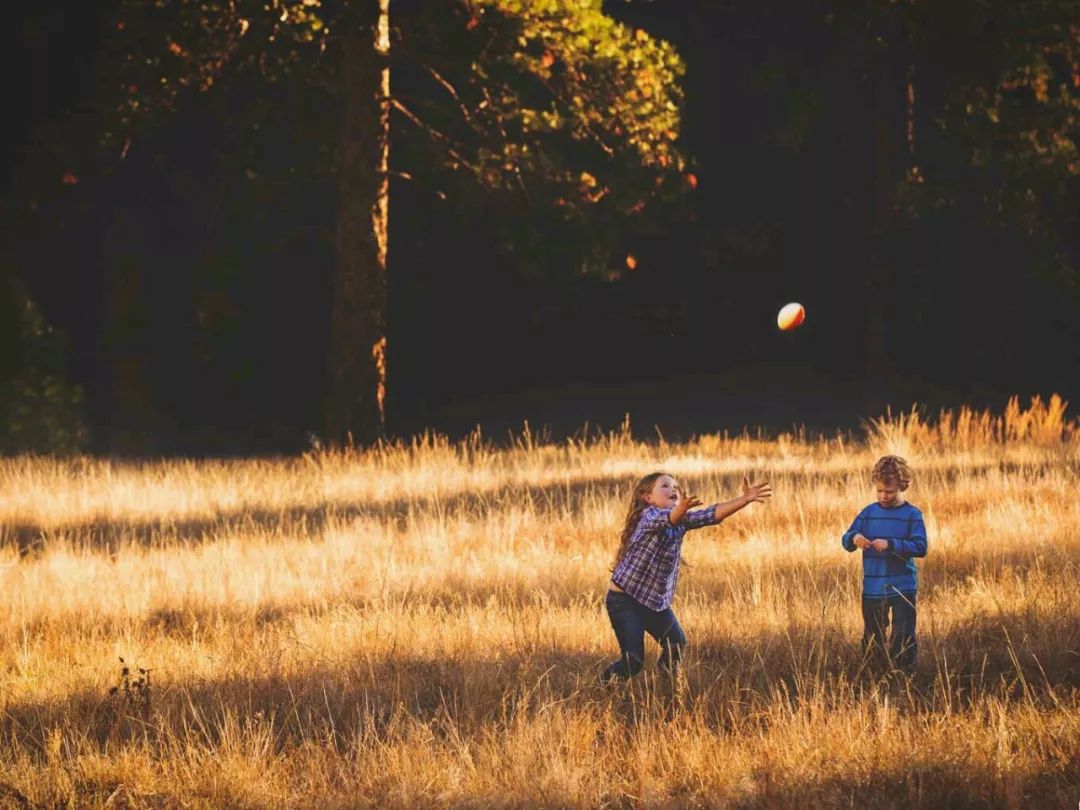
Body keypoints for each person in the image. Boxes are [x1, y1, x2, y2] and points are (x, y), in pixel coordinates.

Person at [600, 471, 772, 684]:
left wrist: (744, 500)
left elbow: (711, 514)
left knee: (676, 642)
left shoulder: (681, 520)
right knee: (633, 661)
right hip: (625, 601)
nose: (672, 489)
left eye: (675, 485)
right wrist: (681, 508)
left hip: (653, 602)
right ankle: (602, 686)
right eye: (664, 486)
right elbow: (667, 518)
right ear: (647, 498)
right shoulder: (648, 516)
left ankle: (667, 683)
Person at [841, 455, 928, 673]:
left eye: (889, 492)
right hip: (873, 588)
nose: (883, 496)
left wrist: (891, 544)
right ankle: (874, 675)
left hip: (903, 586)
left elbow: (920, 547)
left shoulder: (912, 515)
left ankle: (904, 676)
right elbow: (847, 538)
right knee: (873, 635)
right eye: (879, 491)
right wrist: (854, 538)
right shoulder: (868, 513)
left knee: (903, 634)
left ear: (902, 486)